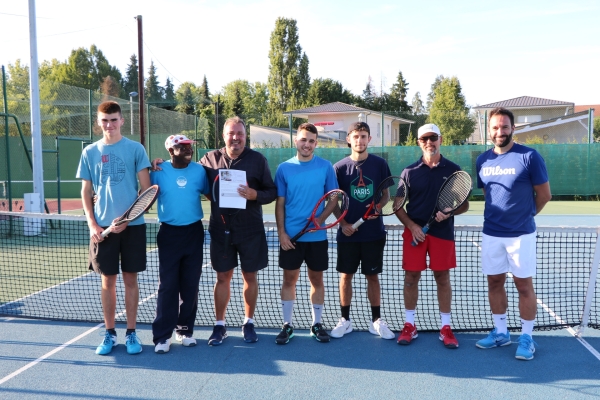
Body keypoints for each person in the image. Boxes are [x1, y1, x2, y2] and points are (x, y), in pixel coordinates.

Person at [475, 107, 551, 361]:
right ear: (489, 130)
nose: (500, 131)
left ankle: (527, 338)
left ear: (513, 128)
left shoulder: (529, 156)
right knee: (494, 283)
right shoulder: (482, 160)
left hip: (521, 235)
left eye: (504, 127)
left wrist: (526, 216)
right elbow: (488, 194)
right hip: (492, 233)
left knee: (523, 286)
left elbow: (544, 195)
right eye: (495, 127)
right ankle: (501, 332)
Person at [77, 101, 151, 355]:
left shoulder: (135, 149)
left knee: (131, 280)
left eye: (114, 120)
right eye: (105, 120)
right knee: (108, 281)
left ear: (122, 121)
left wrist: (128, 218)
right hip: (103, 229)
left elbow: (147, 190)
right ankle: (109, 334)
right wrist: (92, 224)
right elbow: (86, 192)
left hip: (133, 227)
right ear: (99, 122)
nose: (109, 125)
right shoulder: (89, 152)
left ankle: (131, 334)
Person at [200, 116, 277, 345]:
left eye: (240, 134)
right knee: (222, 276)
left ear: (245, 136)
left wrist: (256, 195)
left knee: (249, 276)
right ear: (224, 136)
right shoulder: (209, 160)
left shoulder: (257, 160)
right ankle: (220, 325)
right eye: (231, 134)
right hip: (220, 230)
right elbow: (195, 180)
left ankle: (248, 322)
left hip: (250, 230)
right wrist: (160, 165)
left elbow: (271, 191)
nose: (236, 138)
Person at [394, 123, 468, 349]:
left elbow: (464, 205)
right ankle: (409, 325)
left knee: (442, 278)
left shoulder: (453, 170)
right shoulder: (409, 172)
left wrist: (450, 212)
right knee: (411, 279)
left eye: (433, 138)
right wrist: (412, 226)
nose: (429, 142)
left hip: (442, 234)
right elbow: (397, 206)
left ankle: (445, 327)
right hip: (415, 234)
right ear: (419, 143)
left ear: (440, 139)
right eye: (424, 139)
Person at [274, 123, 338, 344]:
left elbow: (333, 197)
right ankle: (287, 325)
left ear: (316, 143)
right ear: (296, 141)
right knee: (289, 280)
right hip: (291, 237)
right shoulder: (283, 168)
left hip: (317, 237)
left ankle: (316, 324)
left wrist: (320, 220)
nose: (307, 144)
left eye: (311, 141)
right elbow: (280, 203)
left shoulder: (326, 167)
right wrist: (282, 233)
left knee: (316, 280)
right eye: (303, 140)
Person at [330, 122, 394, 340]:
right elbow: (333, 200)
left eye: (363, 136)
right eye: (356, 136)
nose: (360, 140)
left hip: (373, 233)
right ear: (349, 139)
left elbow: (386, 194)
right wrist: (343, 223)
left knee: (372, 276)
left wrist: (378, 206)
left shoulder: (380, 164)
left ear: (369, 139)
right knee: (345, 276)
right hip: (348, 234)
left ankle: (375, 321)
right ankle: (345, 320)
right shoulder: (338, 168)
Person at [151, 134, 209, 354]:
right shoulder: (158, 171)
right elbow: (145, 197)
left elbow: (210, 194)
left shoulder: (199, 171)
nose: (188, 150)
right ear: (170, 151)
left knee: (190, 284)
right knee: (168, 286)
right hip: (169, 234)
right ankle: (162, 337)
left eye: (189, 146)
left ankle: (184, 330)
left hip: (194, 232)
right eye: (182, 147)